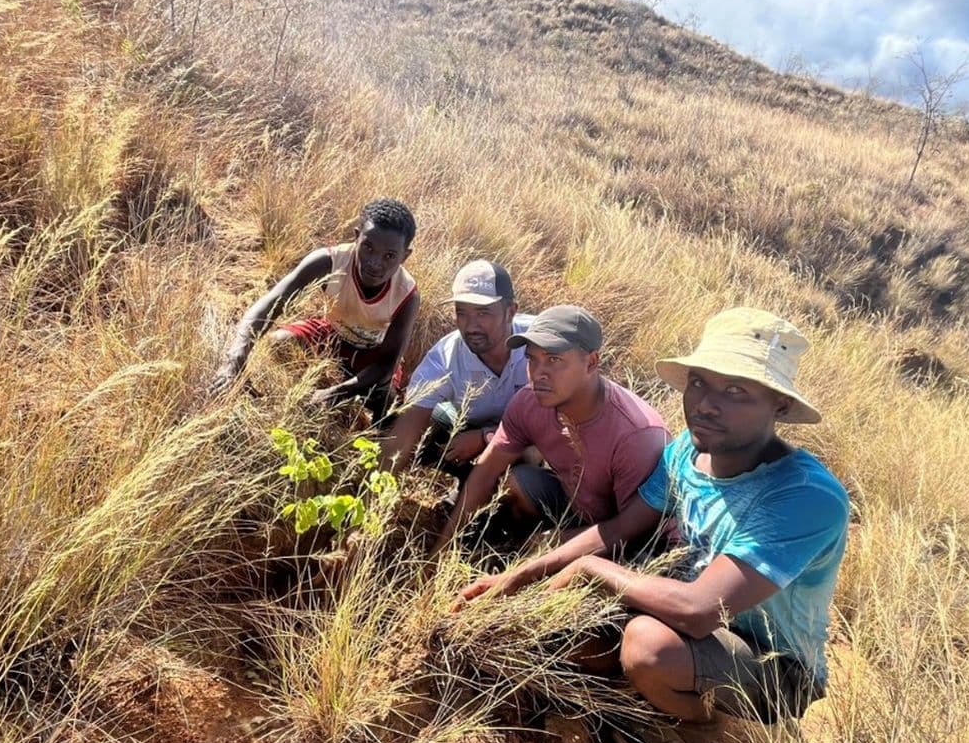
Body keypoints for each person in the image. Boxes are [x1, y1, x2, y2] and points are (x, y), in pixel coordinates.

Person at [456, 307, 850, 743]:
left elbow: (702, 610)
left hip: (771, 663)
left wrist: (588, 569)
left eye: (736, 390)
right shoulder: (687, 450)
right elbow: (622, 527)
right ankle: (648, 686)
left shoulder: (803, 496)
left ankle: (709, 731)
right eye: (700, 382)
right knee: (575, 626)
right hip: (683, 617)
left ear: (779, 406)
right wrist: (521, 575)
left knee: (646, 647)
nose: (705, 403)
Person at [430, 304, 669, 552]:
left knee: (545, 548)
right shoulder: (529, 401)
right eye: (532, 359)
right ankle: (505, 544)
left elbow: (636, 532)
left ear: (591, 362)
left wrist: (555, 544)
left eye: (554, 359)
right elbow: (486, 472)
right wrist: (442, 548)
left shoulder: (636, 435)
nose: (538, 373)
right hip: (570, 503)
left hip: (623, 531)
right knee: (517, 482)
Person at [212, 198, 419, 420]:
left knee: (384, 399)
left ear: (404, 256)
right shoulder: (329, 261)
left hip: (373, 354)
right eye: (368, 247)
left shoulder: (406, 294)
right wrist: (234, 360)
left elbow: (386, 365)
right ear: (356, 236)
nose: (375, 262)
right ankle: (272, 402)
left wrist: (333, 394)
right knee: (278, 343)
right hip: (331, 335)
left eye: (389, 256)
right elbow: (270, 304)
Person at [383, 260, 533, 478]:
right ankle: (464, 479)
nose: (471, 326)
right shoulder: (443, 358)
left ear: (510, 311)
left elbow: (562, 422)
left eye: (483, 313)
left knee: (528, 463)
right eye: (462, 313)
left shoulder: (540, 344)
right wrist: (370, 492)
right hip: (466, 423)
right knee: (430, 420)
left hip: (528, 435)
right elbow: (405, 433)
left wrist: (486, 436)